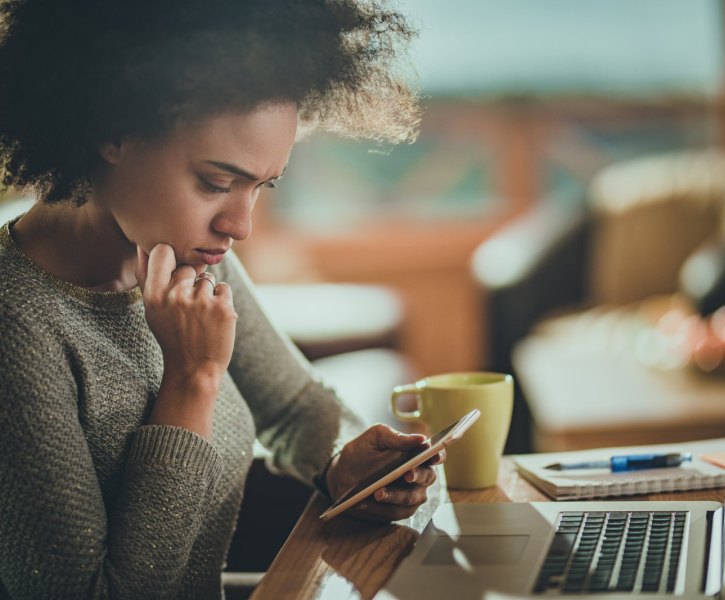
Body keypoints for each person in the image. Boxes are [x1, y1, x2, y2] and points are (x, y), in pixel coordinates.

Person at [0, 1, 440, 598]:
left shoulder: (187, 253)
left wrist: (345, 463)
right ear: (111, 130)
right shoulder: (17, 327)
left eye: (263, 187)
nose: (240, 225)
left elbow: (294, 406)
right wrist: (190, 380)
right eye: (216, 183)